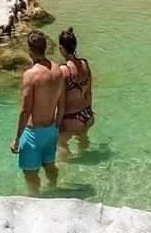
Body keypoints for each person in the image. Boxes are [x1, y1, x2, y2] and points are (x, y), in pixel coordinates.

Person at [11, 31, 66, 193]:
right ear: (45, 48)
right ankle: (54, 190)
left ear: (30, 51)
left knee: (30, 174)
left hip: (33, 134)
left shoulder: (30, 75)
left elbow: (25, 111)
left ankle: (35, 200)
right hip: (51, 130)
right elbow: (61, 105)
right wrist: (56, 127)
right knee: (50, 165)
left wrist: (16, 139)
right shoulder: (58, 71)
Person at [57, 27, 94, 155]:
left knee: (61, 143)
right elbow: (89, 93)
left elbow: (61, 104)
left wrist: (56, 125)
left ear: (61, 49)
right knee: (83, 141)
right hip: (87, 116)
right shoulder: (85, 64)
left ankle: (62, 174)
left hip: (71, 120)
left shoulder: (63, 70)